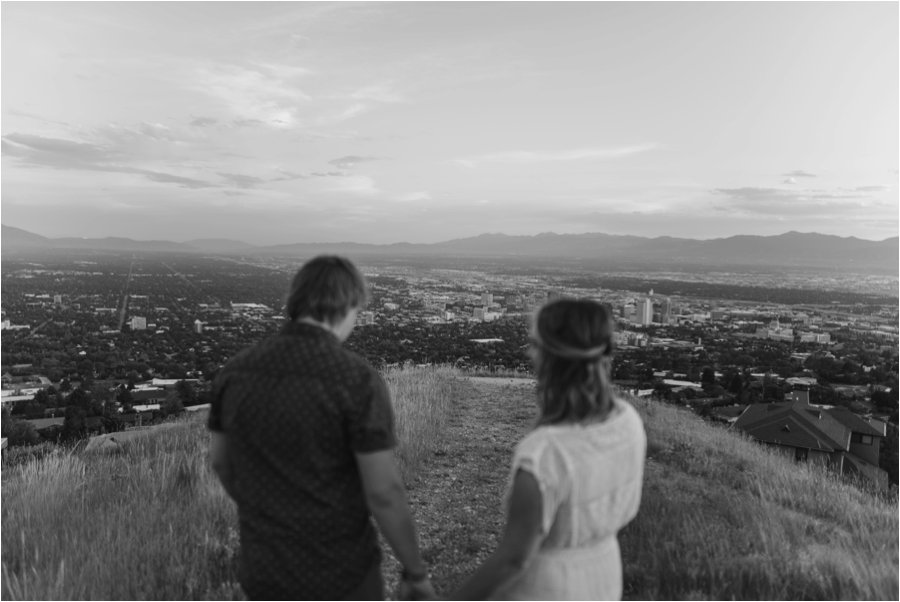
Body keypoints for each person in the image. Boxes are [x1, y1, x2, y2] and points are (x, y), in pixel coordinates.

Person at [208, 255, 435, 601]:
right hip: (339, 572)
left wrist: (268, 511)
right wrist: (415, 571)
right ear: (347, 306)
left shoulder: (235, 372)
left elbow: (222, 463)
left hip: (264, 568)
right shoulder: (356, 379)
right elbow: (384, 492)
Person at [451, 298, 646, 601]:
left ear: (551, 358)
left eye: (535, 344)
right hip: (604, 576)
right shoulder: (628, 422)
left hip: (547, 587)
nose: (530, 352)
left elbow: (514, 558)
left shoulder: (545, 453)